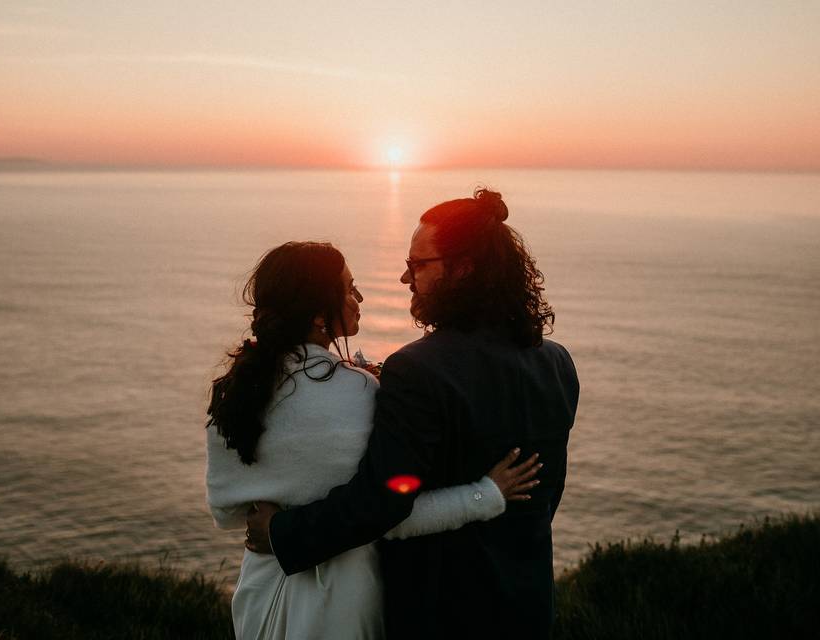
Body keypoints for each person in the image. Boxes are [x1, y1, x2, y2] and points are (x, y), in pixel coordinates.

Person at [245, 189, 579, 639]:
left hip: (442, 613)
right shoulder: (557, 362)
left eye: (418, 265)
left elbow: (384, 498)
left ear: (463, 268)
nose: (405, 278)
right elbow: (547, 492)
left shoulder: (419, 370)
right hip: (528, 605)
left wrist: (284, 534)